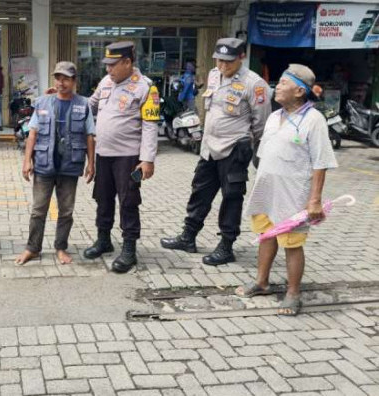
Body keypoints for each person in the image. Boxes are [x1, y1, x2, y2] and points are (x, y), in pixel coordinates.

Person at [236, 64, 337, 316]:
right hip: (267, 191)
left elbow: (321, 162)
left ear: (300, 91)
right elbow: (263, 155)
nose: (277, 87)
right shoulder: (273, 117)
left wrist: (314, 200)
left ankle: (293, 294)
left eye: (283, 83)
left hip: (293, 194)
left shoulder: (313, 120)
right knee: (266, 235)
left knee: (292, 243)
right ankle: (262, 282)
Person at [160, 38, 271, 265]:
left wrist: (250, 145)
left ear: (241, 57)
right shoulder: (213, 75)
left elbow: (261, 123)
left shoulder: (255, 84)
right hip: (209, 147)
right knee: (199, 191)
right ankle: (188, 236)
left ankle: (226, 246)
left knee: (231, 197)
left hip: (234, 149)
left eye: (228, 61)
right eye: (219, 60)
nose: (223, 66)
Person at [84, 41, 160, 274]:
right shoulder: (106, 82)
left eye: (113, 65)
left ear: (127, 62)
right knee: (103, 198)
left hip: (128, 157)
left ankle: (129, 249)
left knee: (128, 201)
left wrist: (147, 159)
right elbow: (89, 106)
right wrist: (64, 100)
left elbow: (150, 126)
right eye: (106, 65)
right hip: (103, 154)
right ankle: (103, 239)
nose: (108, 69)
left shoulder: (146, 87)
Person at [15, 62, 96, 266]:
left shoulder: (83, 104)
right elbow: (32, 134)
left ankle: (61, 247)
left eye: (66, 79)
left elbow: (89, 136)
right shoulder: (42, 102)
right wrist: (26, 161)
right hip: (44, 164)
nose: (61, 83)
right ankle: (32, 248)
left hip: (70, 165)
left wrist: (91, 163)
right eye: (58, 78)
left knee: (66, 211)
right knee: (38, 210)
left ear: (74, 81)